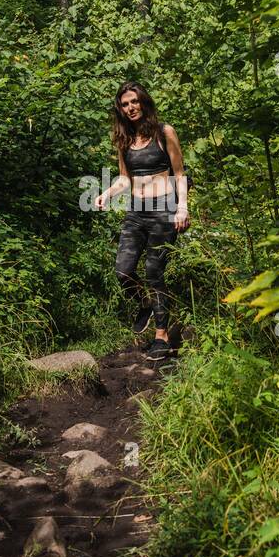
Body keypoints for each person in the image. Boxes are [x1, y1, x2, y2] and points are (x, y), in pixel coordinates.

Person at [96, 81, 190, 362]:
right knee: (123, 271)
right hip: (135, 212)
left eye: (134, 102)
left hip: (164, 210)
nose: (130, 108)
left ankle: (161, 337)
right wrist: (107, 193)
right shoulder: (124, 140)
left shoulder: (164, 132)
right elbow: (125, 178)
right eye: (124, 105)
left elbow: (179, 173)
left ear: (144, 103)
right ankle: (144, 303)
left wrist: (182, 208)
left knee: (153, 271)